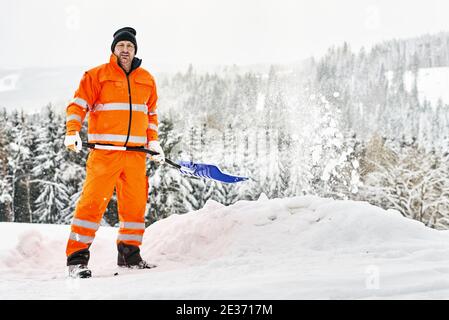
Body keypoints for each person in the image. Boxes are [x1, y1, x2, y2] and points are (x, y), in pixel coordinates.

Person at [63, 27, 165, 278]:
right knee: (91, 205)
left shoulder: (147, 79)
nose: (125, 50)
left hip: (135, 156)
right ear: (114, 49)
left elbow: (151, 115)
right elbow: (78, 105)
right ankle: (76, 260)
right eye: (121, 46)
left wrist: (153, 141)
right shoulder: (96, 75)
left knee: (134, 208)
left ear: (135, 50)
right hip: (104, 154)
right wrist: (73, 130)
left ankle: (129, 256)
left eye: (129, 46)